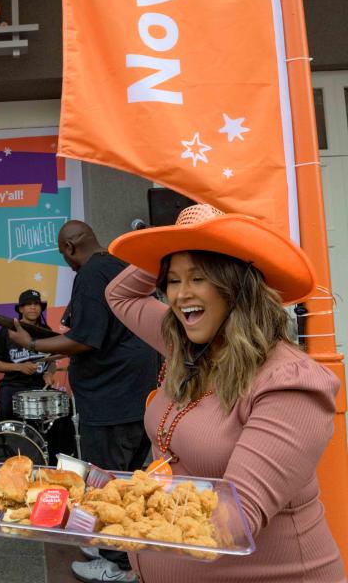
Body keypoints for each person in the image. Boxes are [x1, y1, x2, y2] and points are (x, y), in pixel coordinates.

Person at [105, 203, 343, 582]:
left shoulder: (290, 382)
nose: (180, 296)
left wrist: (104, 510)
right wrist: (172, 242)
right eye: (173, 280)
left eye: (199, 278)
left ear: (237, 288)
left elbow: (234, 521)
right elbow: (120, 295)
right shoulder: (183, 342)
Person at [8, 220, 157, 583]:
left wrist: (31, 345)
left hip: (111, 400)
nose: (67, 262)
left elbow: (87, 340)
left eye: (64, 255)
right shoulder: (118, 265)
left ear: (72, 247)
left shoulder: (90, 274)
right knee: (128, 477)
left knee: (106, 479)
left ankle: (117, 563)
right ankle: (118, 543)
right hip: (138, 397)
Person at [0, 288, 75, 465]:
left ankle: (55, 461)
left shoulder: (45, 331)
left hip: (38, 387)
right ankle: (12, 460)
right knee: (7, 407)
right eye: (28, 305)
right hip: (13, 386)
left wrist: (49, 374)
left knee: (63, 411)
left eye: (36, 304)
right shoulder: (8, 331)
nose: (33, 308)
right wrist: (19, 367)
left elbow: (52, 359)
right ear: (20, 309)